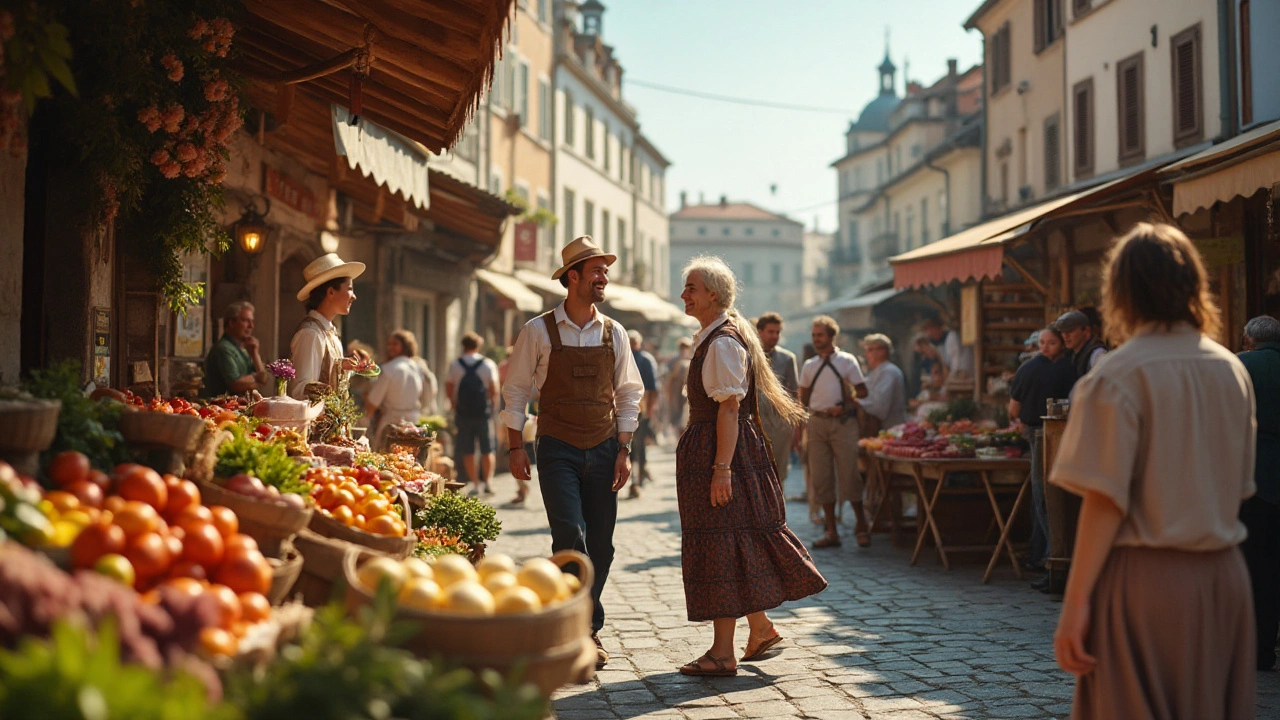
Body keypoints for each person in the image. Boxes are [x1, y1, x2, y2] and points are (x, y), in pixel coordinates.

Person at [1050, 222, 1256, 718]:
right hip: (1224, 576)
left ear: (1122, 292)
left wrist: (1075, 603)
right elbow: (1239, 484)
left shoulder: (1116, 375)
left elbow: (1103, 501)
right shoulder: (1231, 368)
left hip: (1146, 581)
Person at [674, 255, 826, 677]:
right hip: (722, 449)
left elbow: (728, 407)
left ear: (714, 295)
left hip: (724, 452)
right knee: (733, 540)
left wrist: (721, 467)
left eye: (691, 288)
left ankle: (723, 653)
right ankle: (760, 629)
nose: (684, 294)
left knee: (722, 543)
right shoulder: (717, 335)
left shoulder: (722, 341)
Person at [502, 236, 643, 670]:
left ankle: (581, 620)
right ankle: (582, 630)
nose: (603, 277)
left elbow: (629, 393)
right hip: (557, 448)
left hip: (604, 449)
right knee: (570, 537)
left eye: (605, 270)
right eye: (596, 270)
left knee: (602, 546)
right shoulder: (537, 330)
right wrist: (514, 447)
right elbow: (516, 391)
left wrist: (624, 448)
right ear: (573, 277)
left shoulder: (614, 332)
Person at [1007, 326, 1076, 589]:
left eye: (1051, 342)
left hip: (1042, 435)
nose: (1046, 347)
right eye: (1043, 342)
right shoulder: (1071, 367)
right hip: (1061, 434)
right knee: (1052, 499)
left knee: (1045, 497)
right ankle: (1051, 559)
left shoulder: (1031, 369)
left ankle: (1054, 563)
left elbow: (1014, 409)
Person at [799, 315, 869, 549]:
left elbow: (862, 391)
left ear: (831, 336)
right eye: (814, 335)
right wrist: (801, 430)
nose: (816, 339)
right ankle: (831, 531)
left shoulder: (847, 361)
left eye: (820, 335)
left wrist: (847, 404)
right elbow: (803, 399)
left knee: (850, 473)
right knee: (821, 477)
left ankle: (862, 525)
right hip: (817, 423)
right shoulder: (809, 366)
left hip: (843, 423)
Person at [1239, 315, 1280, 670]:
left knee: (1257, 565)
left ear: (1248, 338)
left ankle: (1260, 649)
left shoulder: (1239, 365)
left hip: (1255, 477)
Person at [289, 253, 367, 399]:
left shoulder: (329, 332)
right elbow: (300, 390)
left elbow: (327, 377)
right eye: (349, 289)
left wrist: (345, 368)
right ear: (330, 292)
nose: (354, 296)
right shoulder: (311, 334)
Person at [447, 332, 500, 496]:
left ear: (463, 346)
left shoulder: (455, 365)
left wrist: (455, 407)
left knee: (468, 449)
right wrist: (493, 409)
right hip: (483, 413)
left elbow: (449, 388)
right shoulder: (488, 364)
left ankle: (475, 483)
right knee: (487, 449)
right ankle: (488, 482)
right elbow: (494, 389)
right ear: (478, 345)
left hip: (463, 414)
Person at [365, 330, 434, 451]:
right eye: (389, 344)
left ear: (405, 345)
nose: (390, 347)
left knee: (388, 463)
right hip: (414, 425)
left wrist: (366, 422)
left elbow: (373, 401)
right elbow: (429, 395)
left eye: (395, 344)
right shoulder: (418, 368)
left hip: (392, 425)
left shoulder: (388, 369)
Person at [754, 313, 800, 489]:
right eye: (770, 331)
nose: (774, 336)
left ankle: (777, 510)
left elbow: (794, 394)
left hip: (779, 421)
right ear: (759, 332)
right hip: (755, 419)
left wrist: (795, 427)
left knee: (779, 470)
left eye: (777, 332)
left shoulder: (788, 358)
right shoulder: (748, 356)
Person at [203, 300, 266, 397]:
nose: (251, 326)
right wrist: (256, 378)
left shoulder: (244, 349)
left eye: (252, 321)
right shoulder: (223, 349)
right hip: (221, 407)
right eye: (245, 320)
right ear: (231, 323)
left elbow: (263, 379)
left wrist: (255, 354)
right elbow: (236, 384)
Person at [627, 330, 659, 498]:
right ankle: (636, 478)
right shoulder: (624, 358)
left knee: (637, 445)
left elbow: (653, 389)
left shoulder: (644, 360)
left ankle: (637, 479)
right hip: (628, 408)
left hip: (640, 408)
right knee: (633, 445)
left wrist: (650, 410)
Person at [857, 334, 906, 431]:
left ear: (882, 351)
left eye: (870, 350)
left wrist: (856, 403)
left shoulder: (889, 372)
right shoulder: (875, 373)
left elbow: (878, 407)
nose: (866, 354)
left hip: (890, 430)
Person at [1054, 309, 1107, 378]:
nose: (1065, 336)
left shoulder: (1097, 354)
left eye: (1070, 330)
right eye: (1062, 332)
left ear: (1086, 331)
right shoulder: (1069, 355)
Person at [921, 316, 973, 384]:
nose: (929, 333)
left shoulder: (952, 338)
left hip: (964, 377)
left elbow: (956, 366)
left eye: (930, 329)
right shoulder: (939, 344)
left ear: (938, 327)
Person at [666, 338, 693, 437]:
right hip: (676, 392)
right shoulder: (674, 361)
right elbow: (670, 378)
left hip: (689, 392)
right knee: (677, 417)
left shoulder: (693, 358)